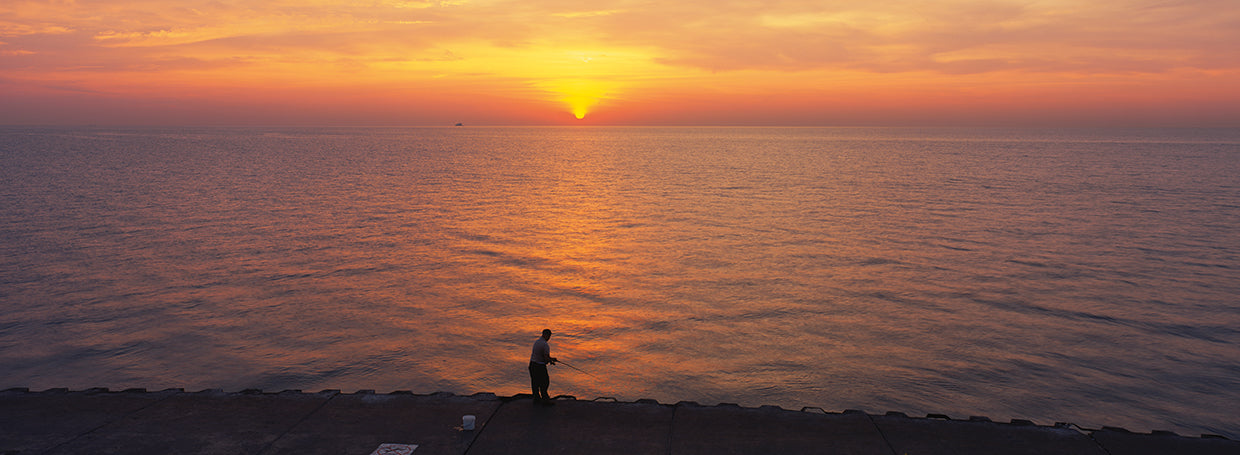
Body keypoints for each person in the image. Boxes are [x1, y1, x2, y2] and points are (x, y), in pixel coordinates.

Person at [528, 328, 558, 405]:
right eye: (549, 336)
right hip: (539, 366)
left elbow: (541, 355)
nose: (549, 338)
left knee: (535, 383)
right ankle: (545, 400)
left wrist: (551, 359)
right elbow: (545, 358)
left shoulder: (537, 342)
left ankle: (536, 399)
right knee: (545, 383)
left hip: (532, 365)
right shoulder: (545, 345)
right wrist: (551, 361)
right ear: (546, 335)